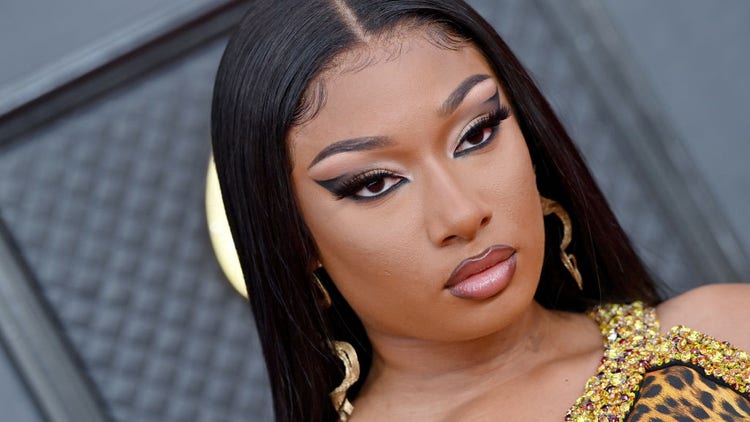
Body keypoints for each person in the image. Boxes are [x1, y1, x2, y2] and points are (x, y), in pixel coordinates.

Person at [209, 0, 750, 420]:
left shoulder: (729, 332)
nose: (462, 214)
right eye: (374, 184)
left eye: (476, 134)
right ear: (296, 237)